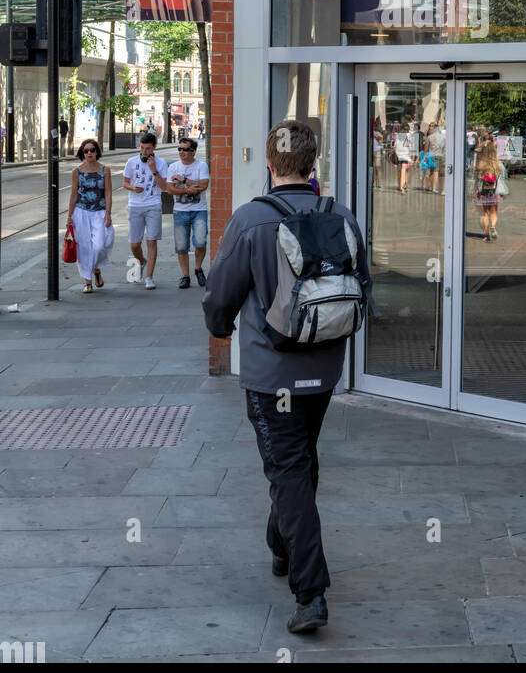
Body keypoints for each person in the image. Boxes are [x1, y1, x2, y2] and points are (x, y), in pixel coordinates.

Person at [202, 120, 372, 636]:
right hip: (323, 368)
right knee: (299, 462)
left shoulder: (250, 220)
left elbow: (221, 293)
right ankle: (283, 544)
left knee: (289, 470)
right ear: (313, 164)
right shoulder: (339, 214)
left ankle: (311, 591)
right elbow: (362, 285)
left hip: (268, 371)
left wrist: (219, 327)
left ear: (270, 166)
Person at [122, 132, 169, 290]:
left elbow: (164, 187)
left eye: (148, 149)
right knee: (135, 244)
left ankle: (149, 277)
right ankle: (142, 261)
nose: (144, 152)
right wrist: (133, 188)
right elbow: (125, 182)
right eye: (142, 148)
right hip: (135, 205)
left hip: (153, 204)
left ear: (154, 148)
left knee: (151, 241)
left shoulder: (161, 163)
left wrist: (154, 169)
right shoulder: (131, 161)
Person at [67, 139, 112, 293]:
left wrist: (108, 213)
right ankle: (87, 281)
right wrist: (69, 216)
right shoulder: (77, 171)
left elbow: (108, 193)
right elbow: (73, 195)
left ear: (97, 152)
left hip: (99, 212)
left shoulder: (105, 170)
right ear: (82, 153)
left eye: (92, 150)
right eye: (86, 151)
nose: (89, 153)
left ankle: (97, 269)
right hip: (81, 213)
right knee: (84, 248)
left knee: (100, 245)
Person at [166, 136, 210, 289]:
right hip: (180, 211)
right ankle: (185, 276)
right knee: (182, 246)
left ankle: (198, 268)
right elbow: (169, 189)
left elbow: (204, 185)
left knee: (200, 242)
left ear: (193, 151)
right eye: (180, 149)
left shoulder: (201, 166)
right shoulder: (173, 167)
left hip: (199, 210)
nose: (182, 152)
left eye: (185, 149)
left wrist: (184, 181)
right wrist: (189, 190)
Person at [473, 136, 504, 241]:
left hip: (484, 191)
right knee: (494, 212)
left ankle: (486, 235)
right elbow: (503, 177)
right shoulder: (498, 164)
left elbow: (477, 179)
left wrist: (477, 190)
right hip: (495, 191)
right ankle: (493, 227)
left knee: (485, 213)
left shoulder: (481, 165)